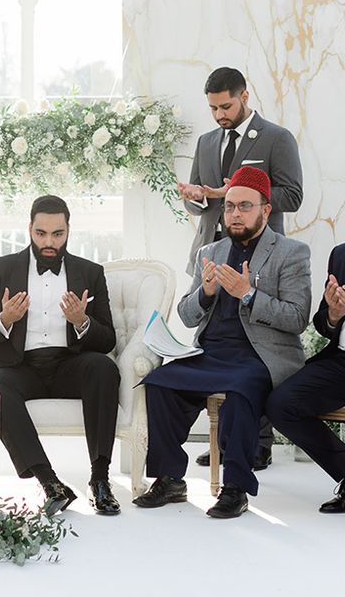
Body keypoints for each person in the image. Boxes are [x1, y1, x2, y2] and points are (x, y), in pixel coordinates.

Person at [133, 167, 310, 518]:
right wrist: (206, 291)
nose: (235, 214)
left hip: (260, 356)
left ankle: (235, 488)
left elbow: (296, 318)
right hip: (211, 351)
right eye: (229, 207)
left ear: (265, 210)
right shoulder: (210, 251)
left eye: (245, 206)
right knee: (159, 383)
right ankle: (170, 478)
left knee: (241, 391)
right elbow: (185, 316)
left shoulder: (291, 252)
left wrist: (247, 294)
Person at [178, 66, 303, 470]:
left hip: (261, 252)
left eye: (225, 106)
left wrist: (245, 188)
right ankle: (225, 436)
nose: (219, 115)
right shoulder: (206, 141)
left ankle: (258, 443)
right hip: (212, 254)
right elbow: (200, 201)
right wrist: (198, 196)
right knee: (218, 340)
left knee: (257, 343)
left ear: (244, 96)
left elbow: (293, 195)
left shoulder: (277, 137)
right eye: (213, 108)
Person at [0, 195, 121, 516]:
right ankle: (50, 483)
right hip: (18, 366)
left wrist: (82, 321)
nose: (49, 242)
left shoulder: (91, 272)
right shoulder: (1, 269)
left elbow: (107, 339)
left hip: (69, 365)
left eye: (57, 234)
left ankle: (100, 479)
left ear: (68, 230)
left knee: (104, 368)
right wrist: (4, 319)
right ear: (30, 229)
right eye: (41, 233)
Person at [266, 243, 345, 512]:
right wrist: (334, 314)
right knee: (281, 404)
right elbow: (324, 323)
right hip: (341, 362)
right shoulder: (341, 254)